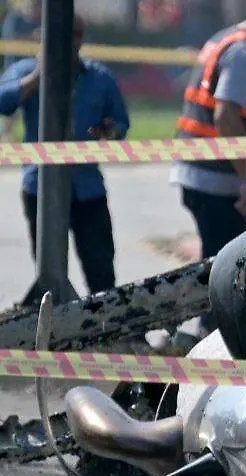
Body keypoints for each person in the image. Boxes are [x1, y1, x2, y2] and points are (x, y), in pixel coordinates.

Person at [0, 14, 129, 295]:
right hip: (41, 187)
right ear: (43, 37)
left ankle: (108, 328)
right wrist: (38, 77)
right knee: (50, 271)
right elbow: (3, 102)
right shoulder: (25, 70)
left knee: (101, 269)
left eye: (77, 34)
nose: (70, 42)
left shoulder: (99, 77)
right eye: (63, 35)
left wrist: (110, 130)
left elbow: (121, 123)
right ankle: (57, 327)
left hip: (87, 188)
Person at [169, 0, 246, 288]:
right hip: (215, 179)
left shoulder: (225, 37)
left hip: (198, 172)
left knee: (219, 266)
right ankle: (212, 329)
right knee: (227, 274)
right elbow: (226, 117)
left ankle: (204, 328)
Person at [1, 0, 40, 141]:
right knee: (9, 112)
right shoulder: (15, 19)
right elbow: (10, 39)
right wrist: (32, 37)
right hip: (12, 75)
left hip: (31, 76)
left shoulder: (40, 22)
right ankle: (6, 137)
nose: (36, 9)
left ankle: (10, 139)